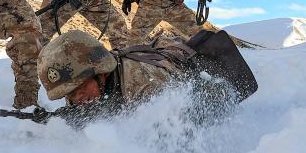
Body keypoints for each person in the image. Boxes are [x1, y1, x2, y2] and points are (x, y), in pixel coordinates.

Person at [36, 25, 256, 127]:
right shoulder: (89, 81)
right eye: (70, 95)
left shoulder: (146, 87)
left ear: (101, 74)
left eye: (80, 89)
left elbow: (166, 145)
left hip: (202, 88)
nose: (77, 99)